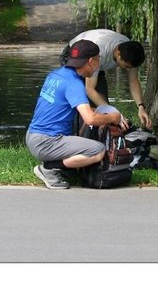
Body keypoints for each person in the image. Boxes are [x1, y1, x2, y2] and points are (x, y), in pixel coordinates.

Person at [26, 39, 127, 189]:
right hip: (47, 142)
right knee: (98, 151)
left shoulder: (56, 75)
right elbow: (90, 119)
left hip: (32, 136)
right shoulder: (74, 84)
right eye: (99, 59)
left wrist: (104, 112)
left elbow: (84, 111)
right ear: (92, 61)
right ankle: (50, 168)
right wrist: (113, 117)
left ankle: (60, 167)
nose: (99, 64)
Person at [64, 29, 152, 129]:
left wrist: (141, 107)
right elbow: (90, 89)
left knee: (103, 105)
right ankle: (76, 135)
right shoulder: (99, 51)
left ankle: (97, 139)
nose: (128, 69)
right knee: (79, 103)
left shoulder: (132, 53)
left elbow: (133, 81)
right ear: (118, 54)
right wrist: (113, 113)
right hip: (76, 55)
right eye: (126, 66)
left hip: (97, 65)